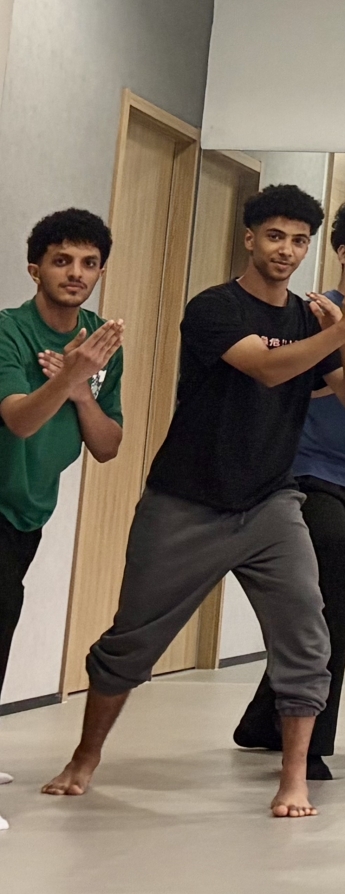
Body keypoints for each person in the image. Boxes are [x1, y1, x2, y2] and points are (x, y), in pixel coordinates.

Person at [41, 185, 345, 818]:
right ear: (249, 238)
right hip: (187, 500)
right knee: (132, 640)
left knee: (306, 637)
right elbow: (268, 368)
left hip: (272, 504)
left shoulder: (311, 317)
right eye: (275, 236)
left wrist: (344, 336)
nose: (287, 250)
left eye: (300, 241)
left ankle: (293, 778)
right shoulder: (213, 308)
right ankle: (84, 758)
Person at [231, 192, 345, 781]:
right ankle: (309, 743)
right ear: (342, 251)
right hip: (306, 474)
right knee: (331, 610)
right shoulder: (316, 312)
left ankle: (263, 722)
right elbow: (287, 386)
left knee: (331, 609)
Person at [0, 210, 124, 831]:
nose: (76, 273)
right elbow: (20, 419)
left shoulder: (101, 341)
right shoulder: (8, 330)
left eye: (89, 263)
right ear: (35, 269)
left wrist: (80, 388)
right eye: (62, 260)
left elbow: (107, 445)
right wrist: (71, 376)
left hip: (28, 506)